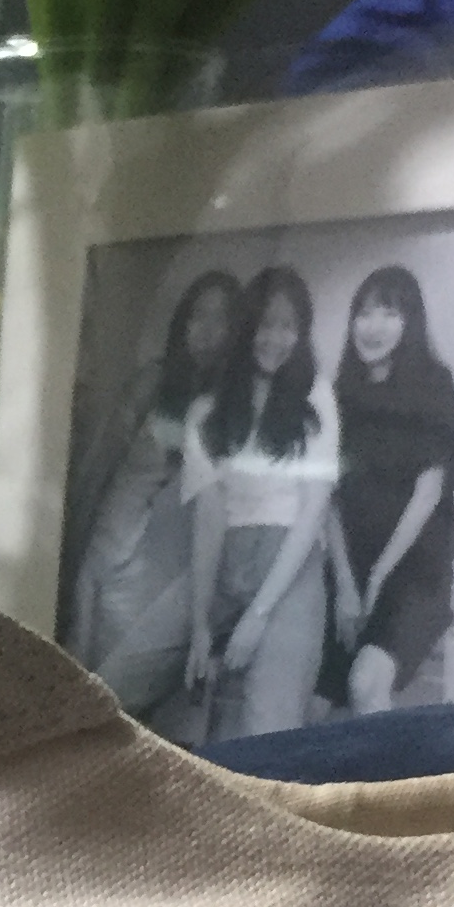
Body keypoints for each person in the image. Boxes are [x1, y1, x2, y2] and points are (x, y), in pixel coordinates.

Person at [70, 269, 239, 716]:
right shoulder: (153, 382)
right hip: (112, 540)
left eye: (220, 319)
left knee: (120, 691)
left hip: (166, 568)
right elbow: (104, 463)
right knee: (79, 667)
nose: (207, 330)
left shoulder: (231, 404)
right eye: (198, 316)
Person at [180, 264, 336, 741]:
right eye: (266, 325)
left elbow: (313, 512)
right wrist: (200, 622)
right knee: (163, 677)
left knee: (269, 725)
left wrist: (258, 615)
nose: (275, 339)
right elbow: (209, 520)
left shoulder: (316, 397)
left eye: (289, 327)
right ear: (246, 327)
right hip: (228, 558)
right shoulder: (206, 412)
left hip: (291, 564)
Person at [322, 263, 454, 714]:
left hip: (414, 574)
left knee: (365, 683)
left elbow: (429, 492)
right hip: (348, 572)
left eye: (389, 313)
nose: (373, 327)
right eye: (364, 313)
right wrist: (347, 585)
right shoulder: (339, 394)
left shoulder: (434, 385)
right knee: (308, 703)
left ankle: (384, 767)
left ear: (410, 323)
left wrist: (377, 578)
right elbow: (327, 498)